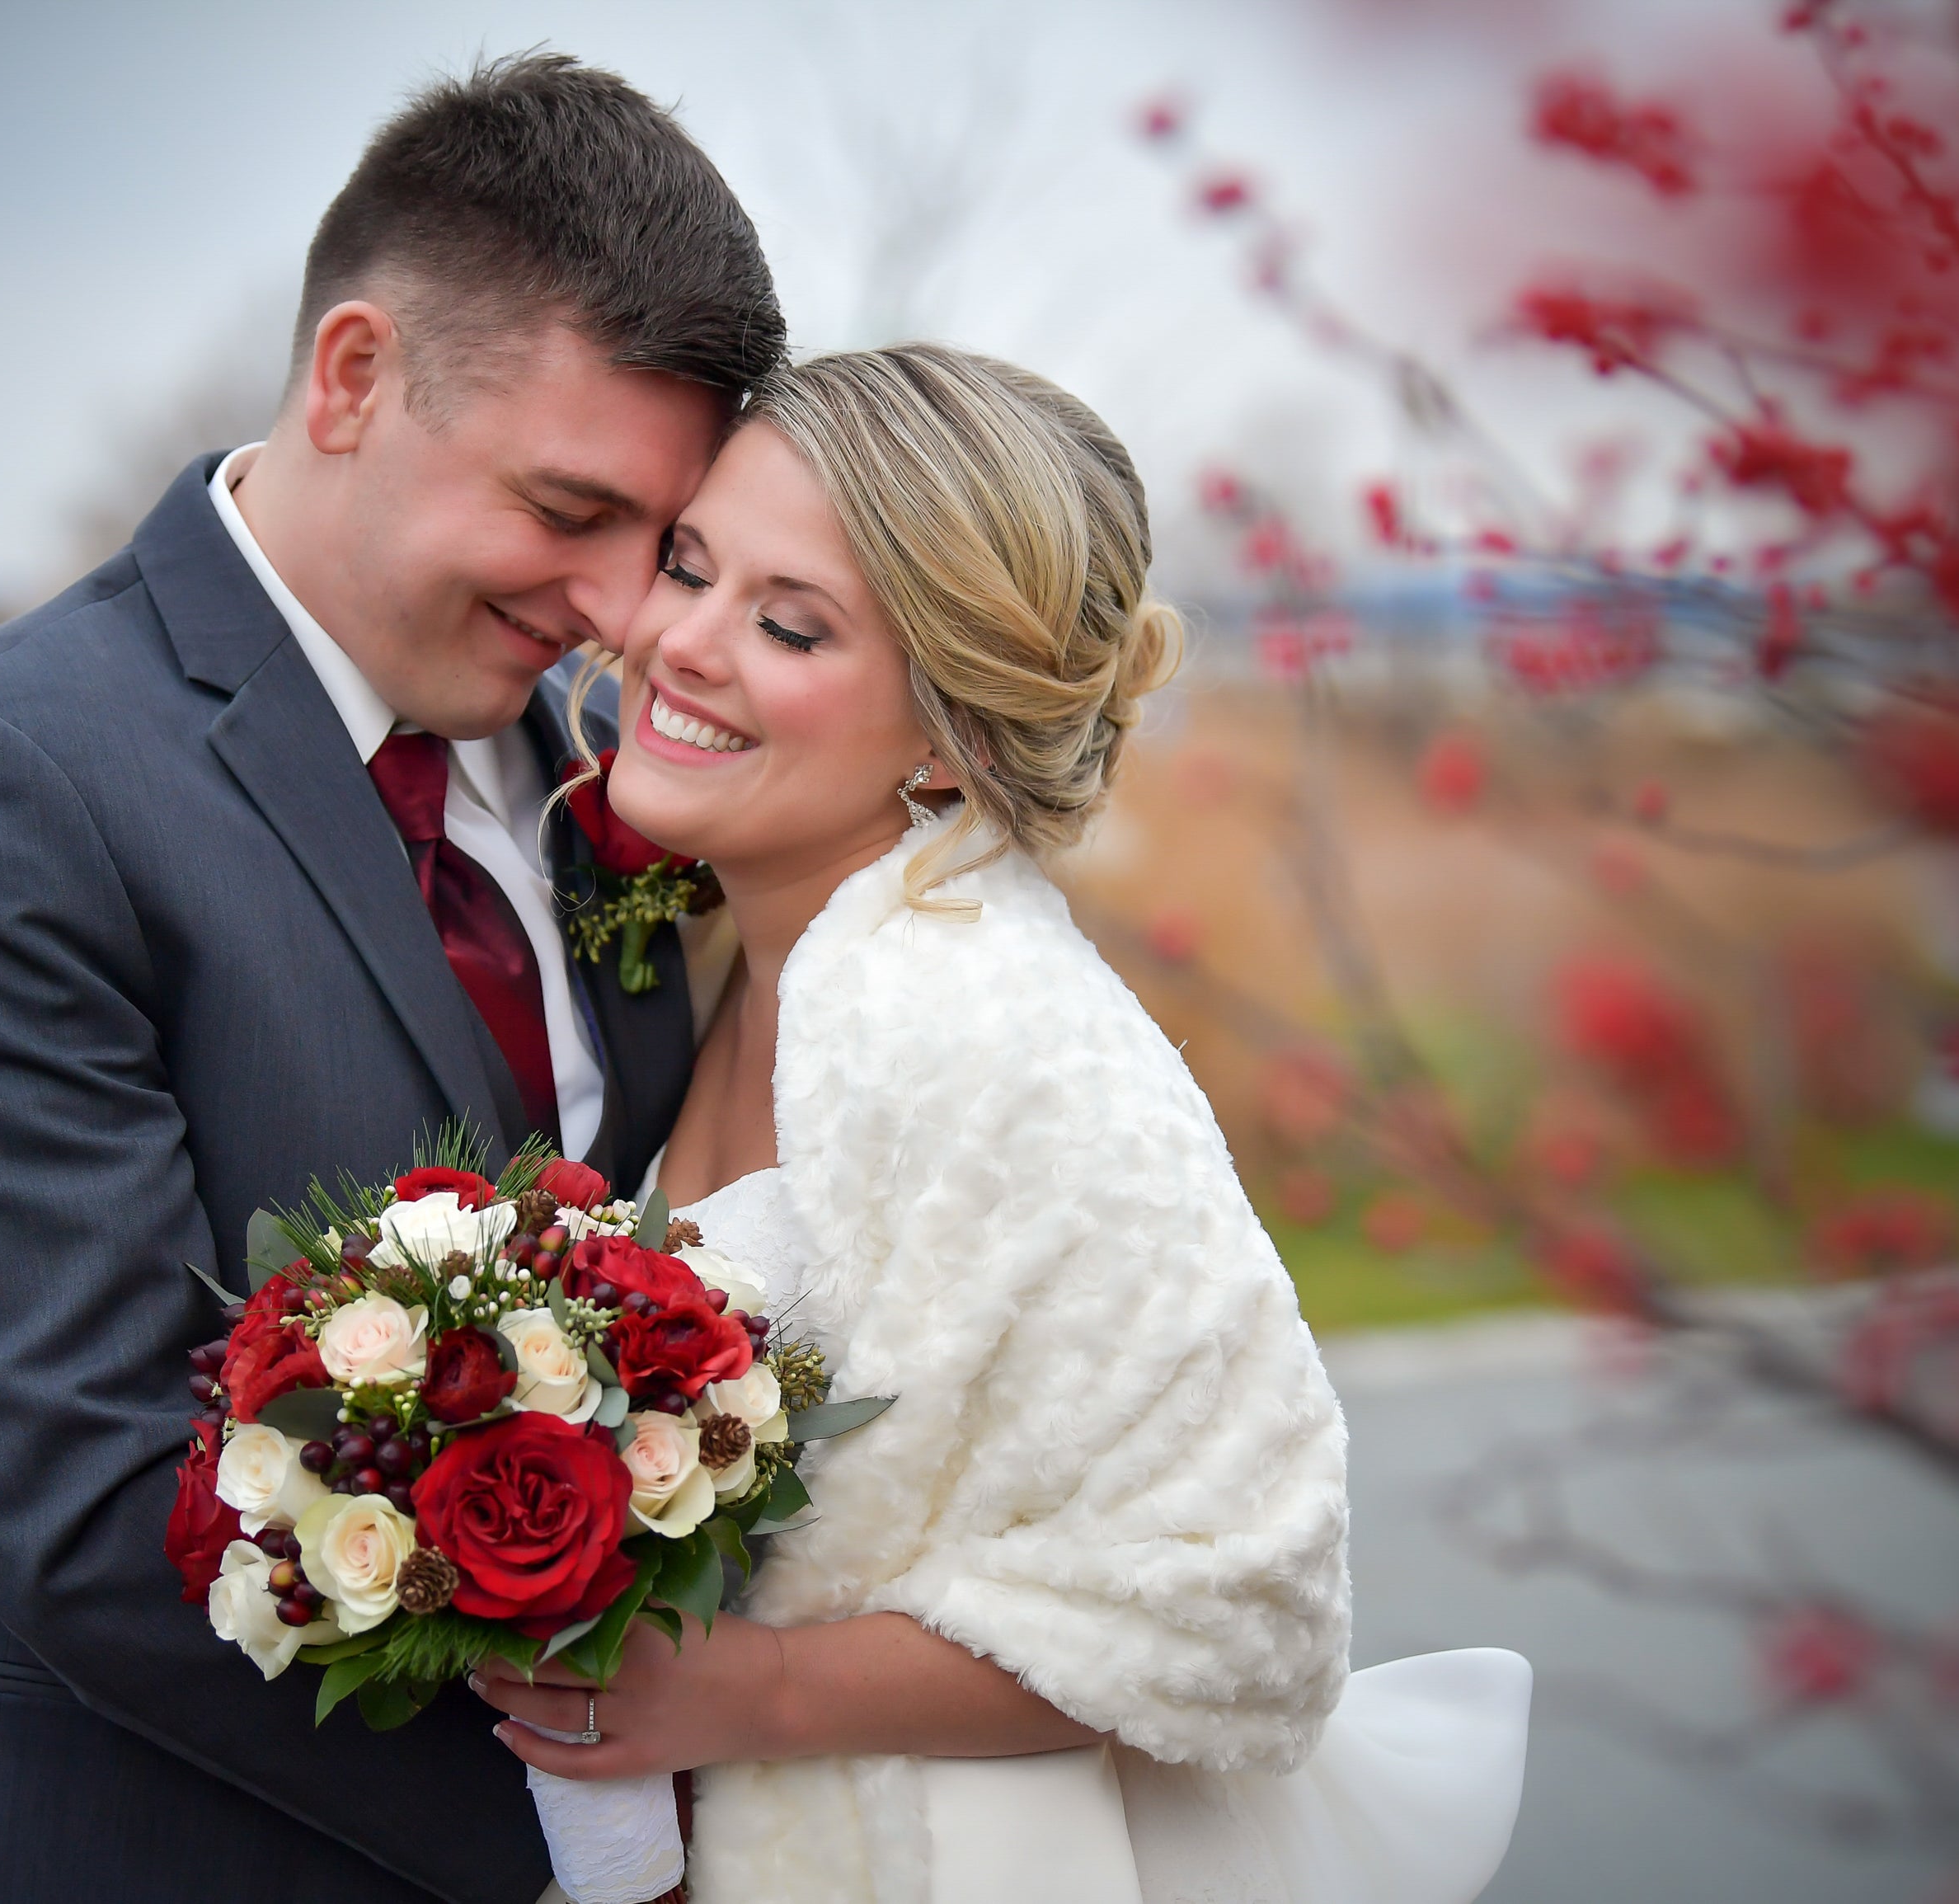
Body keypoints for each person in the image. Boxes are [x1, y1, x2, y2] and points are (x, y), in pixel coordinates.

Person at [0, 53, 782, 1904]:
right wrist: (615, 1824)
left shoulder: (612, 770)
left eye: (657, 539)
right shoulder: (3, 780)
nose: (622, 606)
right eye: (567, 509)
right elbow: (94, 1507)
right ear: (352, 378)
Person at [470, 344, 1530, 1902]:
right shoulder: (730, 951)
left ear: (948, 726)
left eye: (789, 622)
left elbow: (1247, 1613)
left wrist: (747, 1691)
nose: (680, 645)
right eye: (689, 565)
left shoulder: (997, 1036)